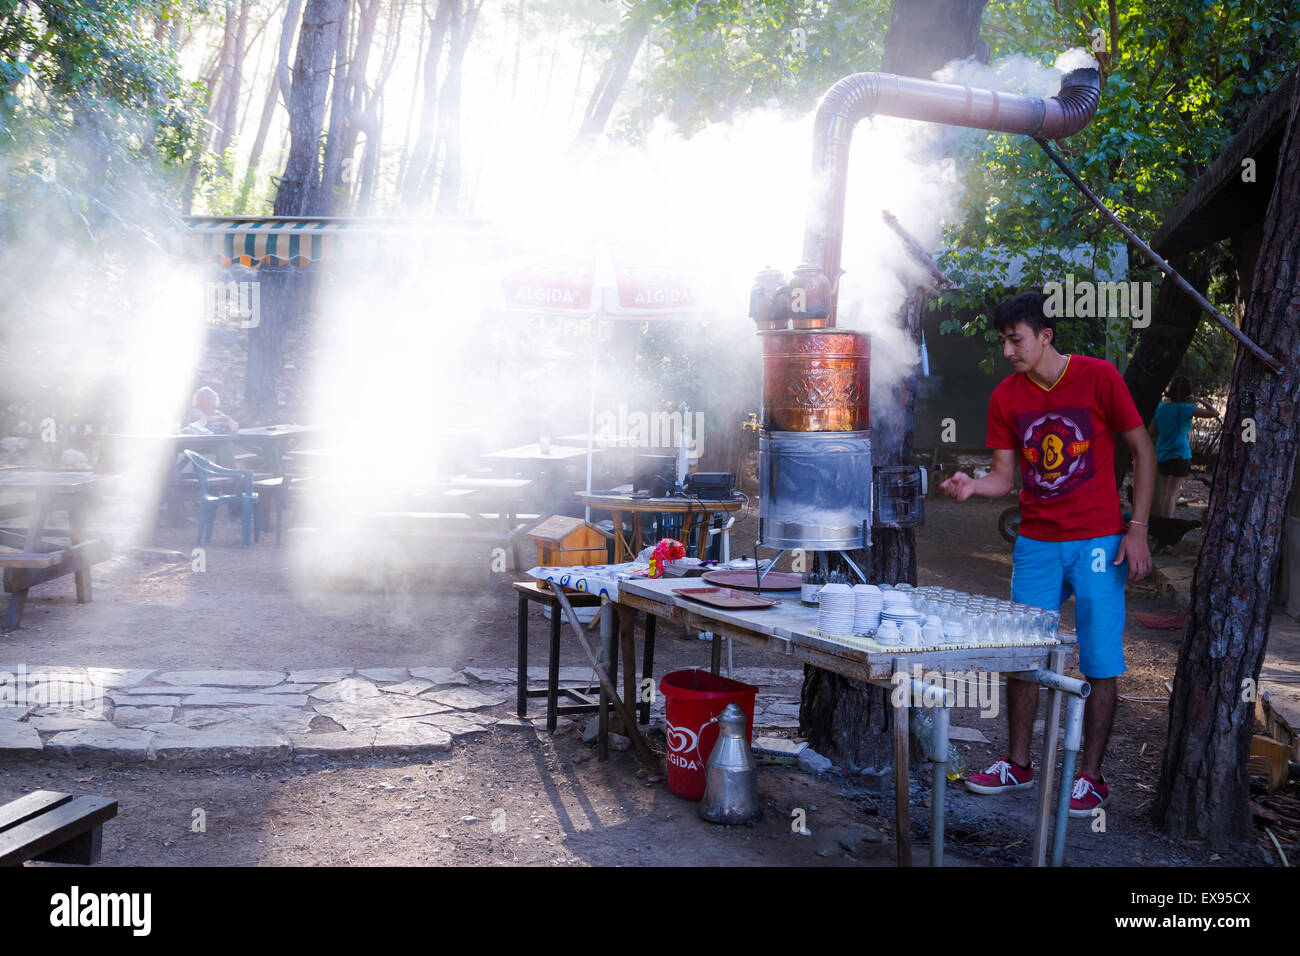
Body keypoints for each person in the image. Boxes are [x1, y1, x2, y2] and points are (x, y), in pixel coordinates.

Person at [939, 291, 1154, 817]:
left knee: (1100, 659)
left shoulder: (1099, 377)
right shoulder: (1006, 397)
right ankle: (1017, 763)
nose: (1009, 351)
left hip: (1100, 541)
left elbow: (1142, 449)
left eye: (1016, 340)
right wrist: (974, 486)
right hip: (1035, 543)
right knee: (1022, 652)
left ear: (1044, 336)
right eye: (1004, 341)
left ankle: (1091, 777)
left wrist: (1138, 529)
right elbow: (1004, 478)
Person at [1150, 376, 1218, 517]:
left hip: (1162, 455)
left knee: (1162, 493)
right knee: (1171, 494)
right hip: (1180, 455)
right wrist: (1199, 400)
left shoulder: (1161, 407)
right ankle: (1167, 529)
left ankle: (1159, 528)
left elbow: (1152, 431)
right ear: (1188, 393)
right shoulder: (1187, 408)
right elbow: (1214, 413)